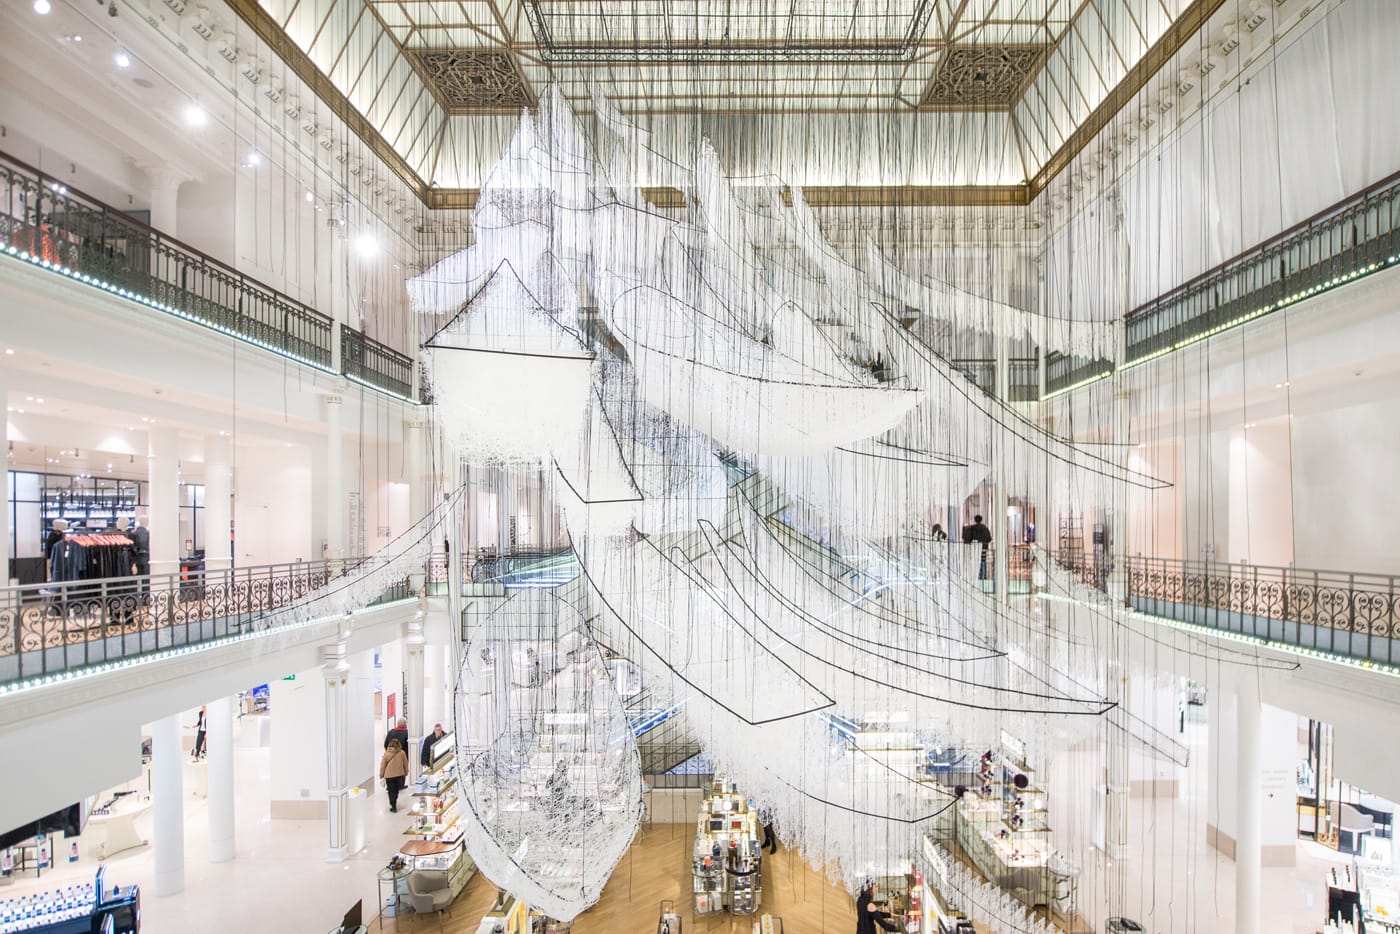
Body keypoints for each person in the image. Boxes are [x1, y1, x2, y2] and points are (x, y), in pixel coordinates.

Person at [380, 739, 409, 812]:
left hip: (389, 776)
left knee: (391, 791)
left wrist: (381, 774)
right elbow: (405, 763)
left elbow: (383, 765)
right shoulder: (402, 753)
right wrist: (406, 772)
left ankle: (393, 805)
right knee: (396, 790)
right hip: (399, 775)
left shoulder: (386, 753)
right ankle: (394, 801)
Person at [964, 514, 992, 579]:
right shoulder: (985, 528)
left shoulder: (972, 528)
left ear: (975, 520)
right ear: (981, 520)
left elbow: (967, 539)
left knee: (975, 562)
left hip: (974, 549)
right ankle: (983, 576)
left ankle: (976, 576)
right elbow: (989, 538)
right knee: (983, 561)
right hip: (983, 548)